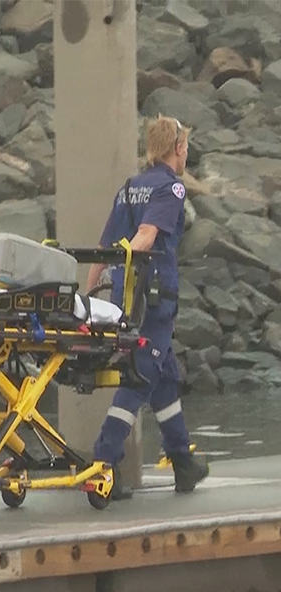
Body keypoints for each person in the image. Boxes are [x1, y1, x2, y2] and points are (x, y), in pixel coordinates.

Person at [86, 115, 209, 499]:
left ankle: (182, 460)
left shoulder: (129, 188)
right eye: (185, 147)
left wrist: (90, 296)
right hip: (153, 299)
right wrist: (132, 253)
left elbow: (105, 247)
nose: (186, 153)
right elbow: (146, 235)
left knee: (163, 375)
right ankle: (103, 462)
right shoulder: (170, 189)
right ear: (177, 149)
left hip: (126, 297)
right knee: (139, 378)